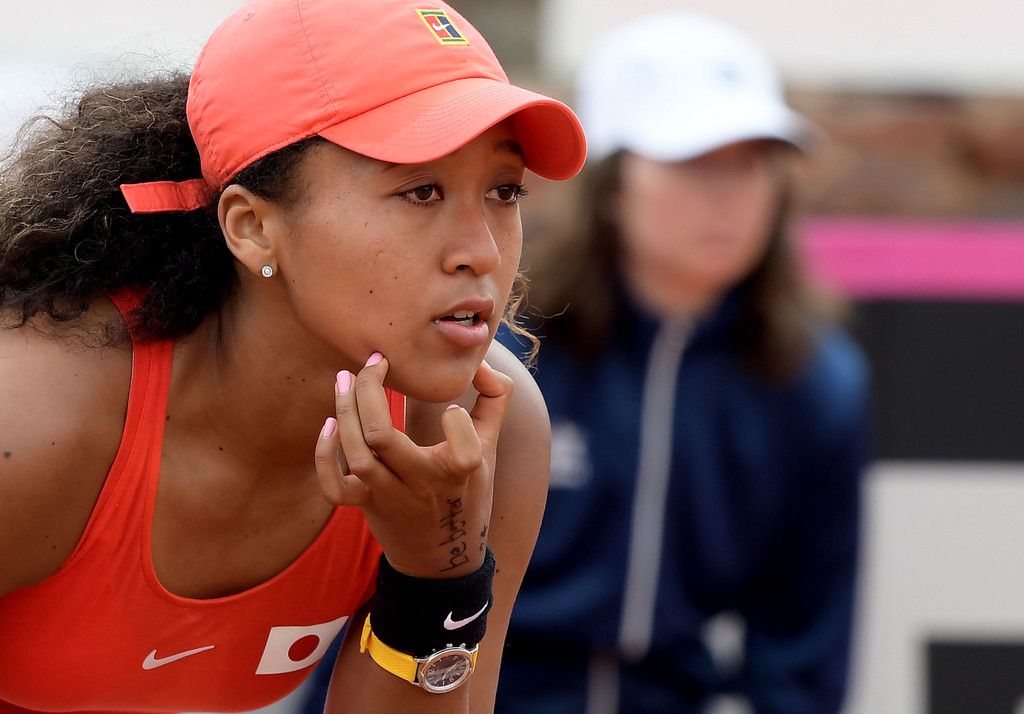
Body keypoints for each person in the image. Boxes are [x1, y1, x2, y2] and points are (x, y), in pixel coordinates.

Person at [0, 0, 585, 711]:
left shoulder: (485, 432)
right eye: (421, 191)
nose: (482, 252)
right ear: (252, 228)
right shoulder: (31, 419)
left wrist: (437, 575)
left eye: (504, 190)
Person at [494, 11, 869, 714]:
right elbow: (392, 597)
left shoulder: (814, 381)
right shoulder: (498, 347)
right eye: (694, 162)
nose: (729, 197)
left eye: (753, 163)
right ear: (612, 187)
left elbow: (803, 654)